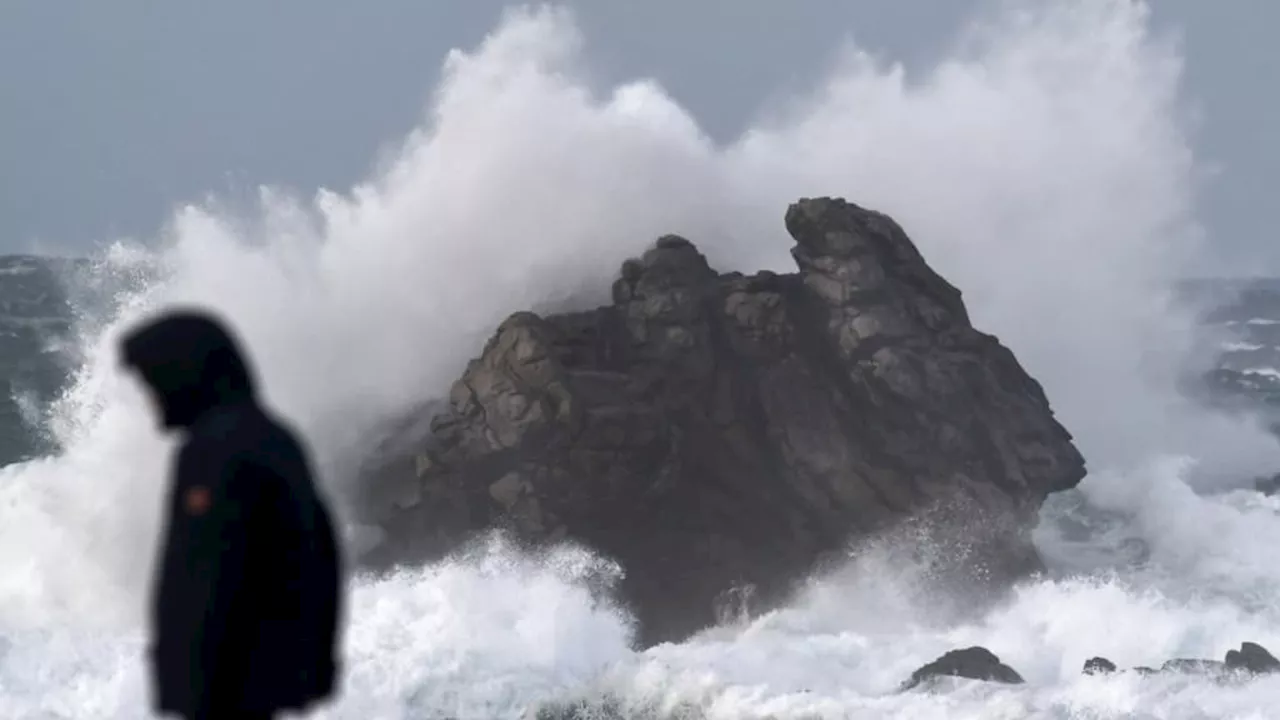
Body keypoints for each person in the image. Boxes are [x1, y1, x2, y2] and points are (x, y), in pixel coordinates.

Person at [119, 308, 343, 720]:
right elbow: (325, 549)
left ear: (185, 375)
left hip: (226, 690)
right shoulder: (273, 437)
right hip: (259, 684)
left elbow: (207, 574)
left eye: (153, 383)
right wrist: (316, 665)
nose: (150, 398)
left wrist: (194, 689)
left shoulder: (217, 450)